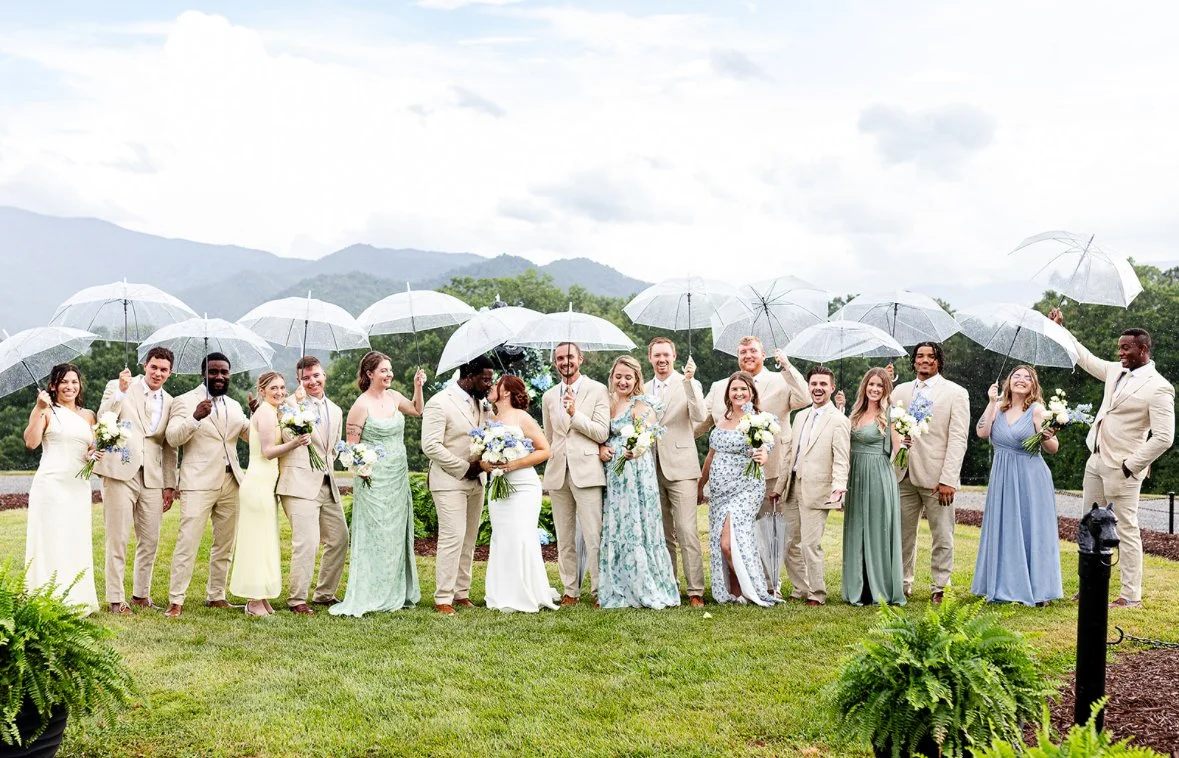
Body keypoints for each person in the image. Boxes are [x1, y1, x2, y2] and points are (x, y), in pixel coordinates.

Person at [1049, 309, 1175, 608]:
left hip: (1124, 468)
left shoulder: (1159, 387)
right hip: (1095, 459)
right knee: (1090, 523)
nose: (1120, 353)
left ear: (1143, 350)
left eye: (1126, 348)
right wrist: (1061, 330)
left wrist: (1132, 465)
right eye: (1119, 348)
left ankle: (1130, 595)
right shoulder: (1115, 371)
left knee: (1125, 528)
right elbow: (1085, 357)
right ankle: (1091, 585)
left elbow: (1164, 437)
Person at [699, 337, 808, 594]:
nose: (748, 355)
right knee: (737, 535)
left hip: (768, 473)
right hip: (725, 483)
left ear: (763, 354)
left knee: (769, 532)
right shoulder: (721, 386)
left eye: (753, 351)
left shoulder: (781, 380)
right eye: (742, 351)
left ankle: (770, 586)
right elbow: (701, 424)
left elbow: (803, 398)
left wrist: (787, 366)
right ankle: (738, 588)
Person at [331, 352, 425, 617]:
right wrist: (362, 470)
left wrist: (418, 387)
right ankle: (370, 591)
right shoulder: (361, 405)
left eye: (390, 370)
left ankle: (396, 589)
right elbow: (350, 448)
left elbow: (418, 410)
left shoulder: (395, 397)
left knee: (395, 533)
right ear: (370, 373)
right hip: (372, 479)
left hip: (397, 476)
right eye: (384, 370)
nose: (389, 374)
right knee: (376, 534)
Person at [163, 352, 251, 618]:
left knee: (225, 543)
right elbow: (172, 438)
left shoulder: (235, 406)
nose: (219, 377)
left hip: (231, 481)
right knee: (187, 542)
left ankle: (216, 595)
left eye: (224, 372)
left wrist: (258, 416)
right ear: (204, 373)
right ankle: (176, 600)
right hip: (198, 482)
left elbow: (248, 435)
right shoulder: (185, 401)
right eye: (213, 372)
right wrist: (195, 418)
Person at [93, 347, 178, 614]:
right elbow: (102, 418)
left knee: (150, 539)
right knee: (117, 538)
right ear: (145, 365)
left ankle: (142, 594)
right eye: (154, 367)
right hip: (119, 470)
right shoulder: (118, 387)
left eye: (163, 369)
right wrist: (120, 390)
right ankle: (116, 599)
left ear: (170, 373)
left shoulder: (172, 401)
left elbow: (169, 447)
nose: (158, 373)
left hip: (153, 477)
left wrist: (169, 484)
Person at [971, 365, 1063, 607]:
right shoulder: (998, 407)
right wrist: (991, 402)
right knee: (1005, 528)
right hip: (1002, 476)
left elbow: (1053, 449)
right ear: (1008, 382)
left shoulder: (1037, 410)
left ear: (1033, 385)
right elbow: (982, 432)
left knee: (1032, 528)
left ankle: (1038, 589)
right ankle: (1002, 585)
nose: (1021, 380)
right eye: (1016, 376)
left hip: (1030, 477)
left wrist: (1047, 436)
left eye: (1027, 378)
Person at [596, 356, 681, 610]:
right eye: (618, 376)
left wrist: (638, 450)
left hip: (636, 473)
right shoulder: (606, 402)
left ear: (636, 380)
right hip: (614, 473)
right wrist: (602, 446)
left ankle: (644, 584)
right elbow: (599, 431)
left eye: (628, 377)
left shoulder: (642, 404)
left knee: (637, 524)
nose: (622, 381)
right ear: (612, 377)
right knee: (617, 523)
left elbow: (648, 435)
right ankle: (617, 586)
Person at [890, 341, 970, 604]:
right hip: (902, 474)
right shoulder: (899, 392)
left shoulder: (956, 393)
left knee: (942, 535)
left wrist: (948, 478)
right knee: (901, 535)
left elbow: (958, 439)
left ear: (939, 362)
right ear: (913, 361)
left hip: (938, 478)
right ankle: (901, 584)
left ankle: (940, 586)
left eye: (931, 356)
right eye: (920, 356)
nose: (925, 360)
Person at [230, 372, 311, 617]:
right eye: (273, 388)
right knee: (257, 541)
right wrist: (295, 443)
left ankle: (262, 596)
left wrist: (296, 399)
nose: (279, 392)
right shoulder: (265, 413)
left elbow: (287, 404)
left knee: (265, 540)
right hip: (257, 484)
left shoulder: (273, 410)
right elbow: (267, 451)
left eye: (282, 387)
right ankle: (253, 601)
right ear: (262, 390)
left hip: (266, 484)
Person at [23, 364, 100, 614]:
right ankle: (46, 598)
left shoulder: (89, 415)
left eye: (74, 382)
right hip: (51, 484)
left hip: (78, 485)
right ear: (53, 386)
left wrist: (93, 455)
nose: (70, 386)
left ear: (80, 385)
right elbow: (31, 442)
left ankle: (76, 598)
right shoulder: (46, 410)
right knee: (51, 537)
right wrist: (38, 408)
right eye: (64, 382)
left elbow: (90, 447)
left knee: (74, 538)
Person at [276, 356, 349, 615]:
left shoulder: (337, 409)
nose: (312, 381)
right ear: (299, 380)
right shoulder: (288, 404)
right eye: (306, 377)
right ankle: (297, 599)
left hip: (327, 482)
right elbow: (286, 435)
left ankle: (324, 593)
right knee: (307, 542)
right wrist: (295, 407)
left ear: (324, 375)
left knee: (340, 538)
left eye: (316, 375)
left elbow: (331, 448)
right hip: (298, 483)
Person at [421, 355, 494, 615]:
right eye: (486, 379)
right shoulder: (439, 403)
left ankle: (461, 592)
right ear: (469, 376)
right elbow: (430, 445)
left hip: (478, 480)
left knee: (469, 539)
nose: (489, 384)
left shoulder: (483, 404)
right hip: (449, 480)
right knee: (453, 537)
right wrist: (465, 468)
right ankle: (443, 598)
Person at [698, 372, 778, 606]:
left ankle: (753, 589)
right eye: (734, 389)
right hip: (719, 492)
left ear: (752, 393)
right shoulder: (722, 419)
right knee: (724, 542)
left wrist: (762, 455)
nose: (739, 393)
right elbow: (710, 457)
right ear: (728, 394)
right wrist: (701, 485)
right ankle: (735, 593)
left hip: (746, 489)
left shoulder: (760, 420)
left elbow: (765, 450)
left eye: (744, 389)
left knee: (729, 541)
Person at [482, 374, 559, 613]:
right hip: (498, 485)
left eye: (496, 384)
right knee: (502, 536)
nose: (492, 386)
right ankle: (502, 592)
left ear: (505, 391)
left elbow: (544, 450)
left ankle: (527, 592)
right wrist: (490, 465)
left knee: (520, 536)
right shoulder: (489, 418)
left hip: (523, 486)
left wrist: (512, 464)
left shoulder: (521, 417)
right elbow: (481, 456)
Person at [542, 342, 611, 606]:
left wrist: (575, 413)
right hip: (558, 472)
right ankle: (571, 590)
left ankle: (599, 591)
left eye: (569, 356)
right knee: (564, 536)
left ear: (580, 359)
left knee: (594, 535)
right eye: (559, 358)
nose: (564, 362)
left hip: (587, 470)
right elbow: (550, 437)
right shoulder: (549, 396)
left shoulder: (597, 390)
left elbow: (601, 433)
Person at [774, 366, 850, 606]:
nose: (818, 388)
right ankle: (801, 588)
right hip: (792, 487)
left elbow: (841, 458)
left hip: (818, 489)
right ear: (809, 387)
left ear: (832, 388)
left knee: (810, 544)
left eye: (823, 384)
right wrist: (779, 486)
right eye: (814, 384)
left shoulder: (839, 420)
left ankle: (817, 593)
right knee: (788, 543)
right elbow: (789, 455)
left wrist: (838, 486)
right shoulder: (801, 416)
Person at [645, 338, 708, 607]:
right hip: (650, 466)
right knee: (662, 532)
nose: (662, 360)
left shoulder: (689, 383)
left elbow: (700, 415)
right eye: (657, 355)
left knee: (686, 530)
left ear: (674, 356)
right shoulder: (644, 388)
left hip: (682, 466)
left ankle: (695, 590)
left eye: (666, 355)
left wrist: (690, 383)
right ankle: (669, 584)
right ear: (650, 358)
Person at [841, 368, 906, 606]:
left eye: (880, 385)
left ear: (886, 389)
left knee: (878, 530)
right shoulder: (855, 414)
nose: (875, 389)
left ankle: (880, 588)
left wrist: (909, 443)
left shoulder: (892, 415)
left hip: (878, 476)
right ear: (864, 387)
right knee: (857, 528)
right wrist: (839, 410)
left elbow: (899, 451)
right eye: (871, 384)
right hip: (856, 475)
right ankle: (859, 587)